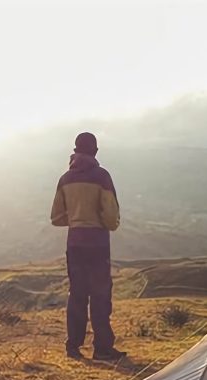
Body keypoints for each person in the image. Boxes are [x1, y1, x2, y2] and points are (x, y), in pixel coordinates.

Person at [51, 132, 126, 361]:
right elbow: (111, 218)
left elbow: (56, 218)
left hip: (74, 243)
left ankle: (73, 347)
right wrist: (100, 223)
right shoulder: (102, 177)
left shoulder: (65, 179)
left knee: (77, 294)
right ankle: (102, 349)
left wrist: (75, 220)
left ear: (75, 151)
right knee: (101, 295)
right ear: (95, 151)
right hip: (98, 243)